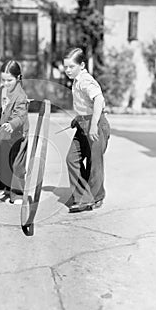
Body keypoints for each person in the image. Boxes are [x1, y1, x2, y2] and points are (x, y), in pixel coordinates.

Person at [63, 47, 110, 212]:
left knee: (94, 163)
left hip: (95, 125)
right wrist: (78, 118)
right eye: (66, 67)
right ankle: (84, 195)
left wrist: (93, 125)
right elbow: (86, 104)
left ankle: (96, 197)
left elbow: (99, 99)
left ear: (82, 65)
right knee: (71, 159)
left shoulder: (85, 80)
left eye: (71, 67)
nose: (68, 70)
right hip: (83, 124)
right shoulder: (77, 80)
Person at [0, 60, 29, 205]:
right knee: (4, 160)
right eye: (3, 80)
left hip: (18, 133)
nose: (6, 83)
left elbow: (21, 116)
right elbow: (0, 105)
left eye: (10, 80)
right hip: (5, 130)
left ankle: (18, 193)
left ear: (18, 77)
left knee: (17, 164)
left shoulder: (21, 96)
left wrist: (12, 125)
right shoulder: (2, 90)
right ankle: (5, 186)